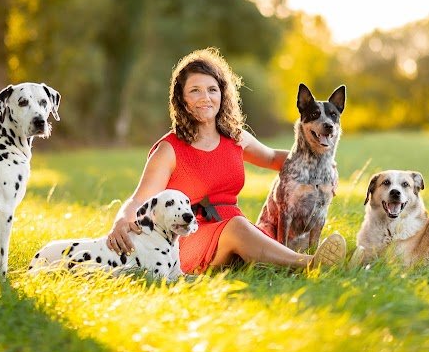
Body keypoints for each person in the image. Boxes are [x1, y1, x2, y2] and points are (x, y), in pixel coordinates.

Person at [106, 47, 346, 273]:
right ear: (182, 99)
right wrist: (121, 220)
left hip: (232, 228)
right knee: (239, 228)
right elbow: (139, 199)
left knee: (257, 234)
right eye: (195, 90)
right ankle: (310, 264)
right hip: (188, 237)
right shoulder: (168, 149)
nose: (205, 97)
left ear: (222, 94)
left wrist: (323, 168)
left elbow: (274, 158)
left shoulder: (236, 137)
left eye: (212, 89)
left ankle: (355, 260)